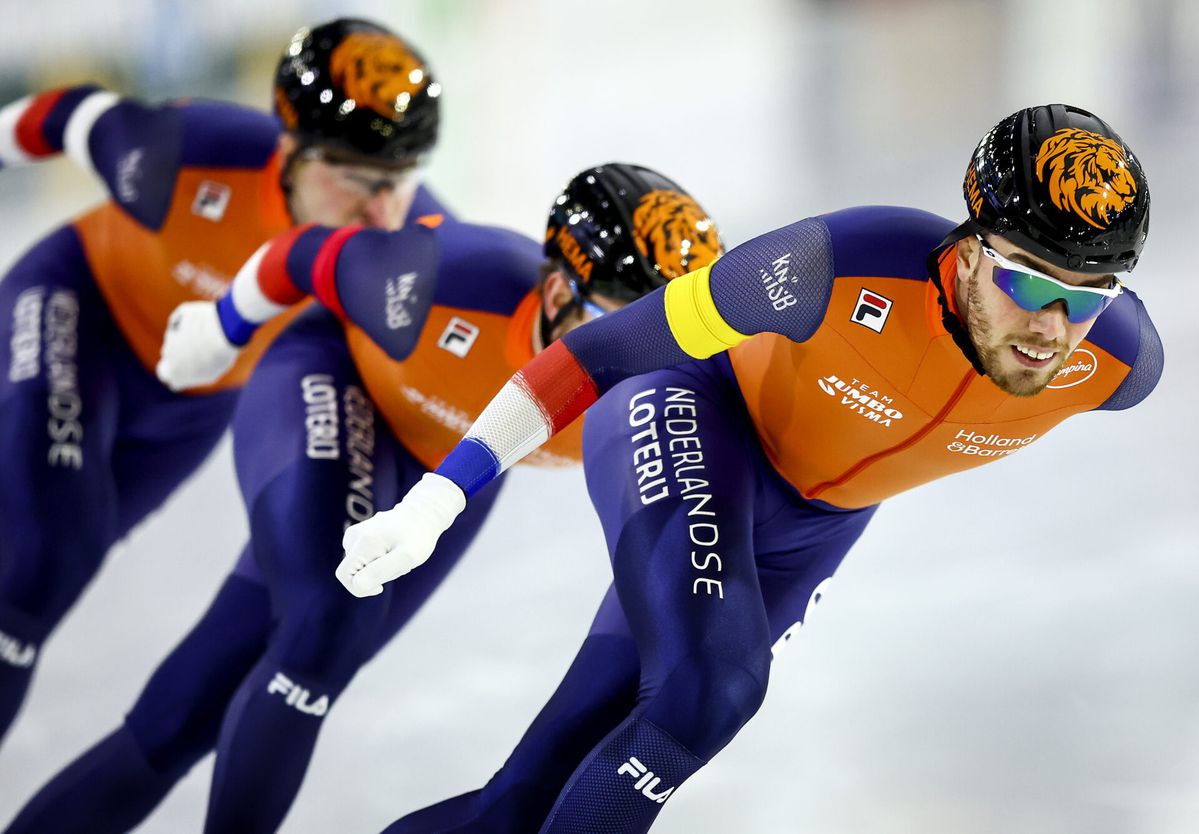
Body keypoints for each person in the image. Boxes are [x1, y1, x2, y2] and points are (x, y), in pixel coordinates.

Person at [335, 104, 1163, 833]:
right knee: (710, 690)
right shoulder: (832, 266)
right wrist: (441, 495)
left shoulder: (1121, 368)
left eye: (1089, 297)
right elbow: (598, 351)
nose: (1051, 327)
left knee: (530, 794)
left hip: (812, 526)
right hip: (696, 413)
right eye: (1026, 282)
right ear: (969, 248)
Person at [3, 164, 723, 833]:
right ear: (559, 291)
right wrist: (225, 329)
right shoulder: (446, 279)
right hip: (331, 379)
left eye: (675, 335)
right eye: (629, 322)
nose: (650, 353)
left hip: (445, 467)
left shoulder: (663, 388)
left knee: (190, 710)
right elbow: (304, 255)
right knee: (327, 622)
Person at [0, 17, 443, 746]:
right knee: (48, 549)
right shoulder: (190, 154)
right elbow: (67, 114)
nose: (380, 211)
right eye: (360, 180)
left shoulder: (407, 240)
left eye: (401, 182)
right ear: (291, 152)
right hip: (79, 308)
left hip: (189, 407)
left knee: (37, 591)